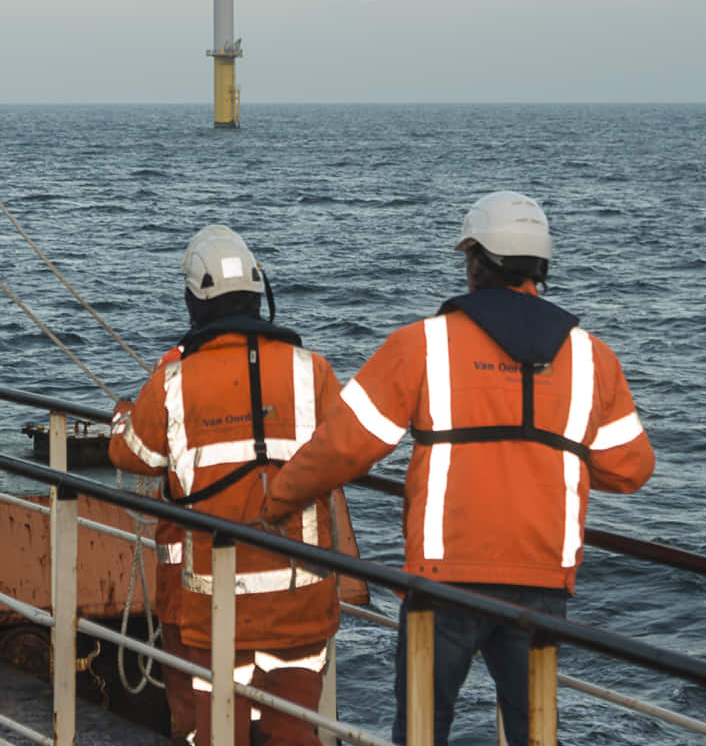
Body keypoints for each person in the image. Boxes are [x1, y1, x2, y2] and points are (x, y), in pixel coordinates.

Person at [261, 192, 655, 745]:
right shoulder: (593, 358)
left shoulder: (422, 345)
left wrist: (277, 498)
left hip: (445, 582)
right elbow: (630, 469)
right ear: (540, 268)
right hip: (542, 581)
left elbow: (346, 446)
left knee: (422, 730)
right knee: (533, 733)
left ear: (475, 263)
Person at [110, 225, 357, 746]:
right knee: (295, 733)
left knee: (222, 729)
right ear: (258, 294)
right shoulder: (311, 370)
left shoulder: (174, 381)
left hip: (218, 606)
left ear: (193, 301)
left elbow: (133, 454)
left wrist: (121, 417)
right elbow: (347, 452)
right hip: (302, 601)